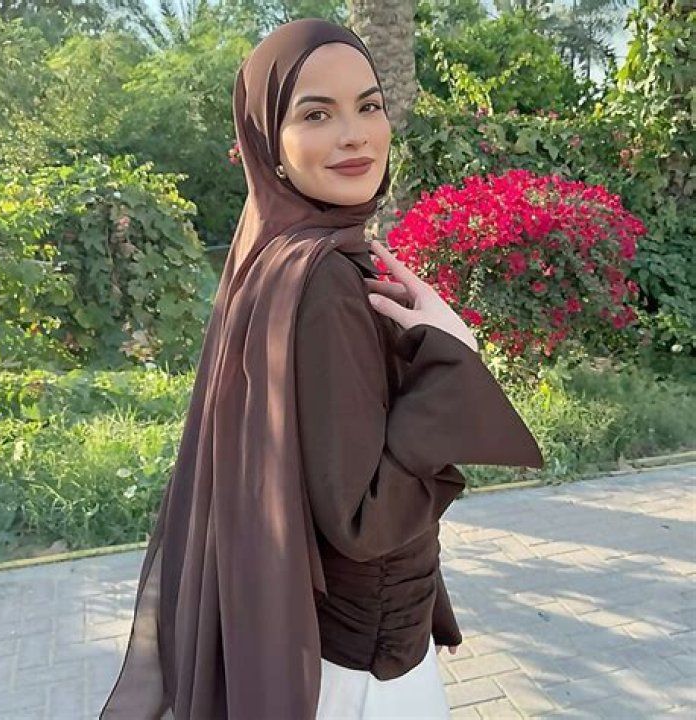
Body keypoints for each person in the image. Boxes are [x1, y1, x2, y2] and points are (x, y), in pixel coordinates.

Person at [99, 18, 543, 720]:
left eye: (369, 106)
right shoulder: (325, 275)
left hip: (334, 644)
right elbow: (365, 517)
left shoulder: (275, 253)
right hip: (359, 677)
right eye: (315, 114)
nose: (355, 135)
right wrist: (455, 355)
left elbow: (318, 465)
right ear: (267, 142)